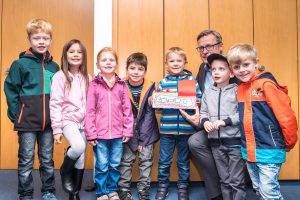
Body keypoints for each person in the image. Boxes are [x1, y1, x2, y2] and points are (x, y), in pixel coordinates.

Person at [227, 43, 298, 200]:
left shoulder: (266, 85)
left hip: (269, 148)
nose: (242, 70)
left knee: (269, 192)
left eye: (246, 65)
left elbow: (286, 116)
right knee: (259, 188)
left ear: (256, 63)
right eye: (237, 67)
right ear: (232, 71)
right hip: (249, 151)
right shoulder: (240, 89)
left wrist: (289, 141)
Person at [4, 19, 59, 200]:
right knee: (26, 160)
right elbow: (11, 90)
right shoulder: (20, 64)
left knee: (47, 160)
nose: (41, 42)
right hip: (26, 122)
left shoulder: (54, 67)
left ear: (50, 40)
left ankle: (48, 191)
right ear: (29, 39)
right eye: (36, 38)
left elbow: (59, 95)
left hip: (49, 123)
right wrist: (16, 116)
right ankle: (26, 193)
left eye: (45, 38)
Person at [85, 47, 134, 200]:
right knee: (102, 164)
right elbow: (90, 110)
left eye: (111, 60)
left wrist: (127, 131)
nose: (108, 63)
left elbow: (127, 109)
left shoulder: (122, 85)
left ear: (116, 64)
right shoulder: (94, 85)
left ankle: (112, 190)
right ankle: (101, 191)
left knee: (114, 164)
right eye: (104, 60)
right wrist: (91, 133)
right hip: (100, 135)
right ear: (98, 64)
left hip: (118, 134)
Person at [154, 47, 202, 200]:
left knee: (183, 161)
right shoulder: (163, 82)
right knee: (164, 161)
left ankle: (183, 187)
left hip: (187, 130)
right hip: (167, 131)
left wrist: (198, 101)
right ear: (166, 63)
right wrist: (156, 100)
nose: (175, 63)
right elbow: (158, 106)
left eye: (179, 61)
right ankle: (163, 186)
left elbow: (200, 101)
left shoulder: (191, 82)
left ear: (185, 63)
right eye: (172, 61)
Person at [200, 53, 246, 200]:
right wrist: (205, 121)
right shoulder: (208, 92)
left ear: (231, 72)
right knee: (224, 180)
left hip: (234, 142)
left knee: (236, 181)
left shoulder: (237, 90)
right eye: (213, 69)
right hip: (215, 143)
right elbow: (203, 112)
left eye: (221, 69)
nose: (216, 72)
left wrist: (224, 122)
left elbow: (242, 114)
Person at [49, 39, 89, 200]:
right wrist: (57, 129)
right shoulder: (60, 76)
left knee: (81, 157)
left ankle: (74, 193)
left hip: (84, 122)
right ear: (66, 54)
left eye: (79, 52)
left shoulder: (87, 77)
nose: (75, 54)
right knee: (78, 147)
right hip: (68, 120)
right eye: (72, 51)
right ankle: (65, 169)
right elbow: (55, 103)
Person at [187, 30, 224, 200]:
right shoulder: (202, 69)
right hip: (209, 124)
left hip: (232, 124)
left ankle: (229, 183)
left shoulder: (233, 68)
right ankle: (215, 193)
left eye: (209, 46)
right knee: (194, 141)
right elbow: (200, 99)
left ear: (221, 47)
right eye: (201, 47)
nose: (204, 51)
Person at [118, 52, 160, 200]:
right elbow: (122, 114)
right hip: (127, 133)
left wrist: (142, 139)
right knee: (126, 161)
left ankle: (144, 189)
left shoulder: (151, 87)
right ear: (126, 69)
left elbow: (149, 115)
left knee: (146, 160)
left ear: (145, 71)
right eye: (132, 68)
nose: (136, 72)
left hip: (147, 133)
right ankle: (123, 188)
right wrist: (132, 137)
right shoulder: (120, 85)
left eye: (140, 69)